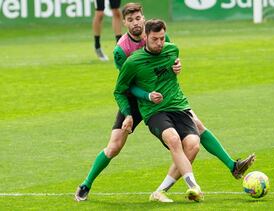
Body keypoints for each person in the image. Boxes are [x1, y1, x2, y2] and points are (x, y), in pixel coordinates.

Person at [75, 2, 255, 202]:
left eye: (138, 18)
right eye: (130, 20)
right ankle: (86, 184)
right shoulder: (121, 51)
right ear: (123, 22)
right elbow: (126, 85)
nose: (135, 23)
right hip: (135, 98)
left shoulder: (157, 36)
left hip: (162, 98)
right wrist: (134, 108)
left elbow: (170, 59)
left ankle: (233, 166)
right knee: (114, 147)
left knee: (198, 126)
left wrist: (176, 66)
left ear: (143, 18)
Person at [114, 19, 204, 202]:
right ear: (145, 37)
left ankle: (159, 192)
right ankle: (194, 186)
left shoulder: (172, 50)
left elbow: (173, 68)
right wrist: (129, 113)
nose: (160, 43)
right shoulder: (133, 62)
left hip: (177, 106)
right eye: (155, 39)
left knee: (194, 145)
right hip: (154, 111)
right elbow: (119, 90)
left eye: (162, 38)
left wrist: (177, 67)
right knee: (173, 139)